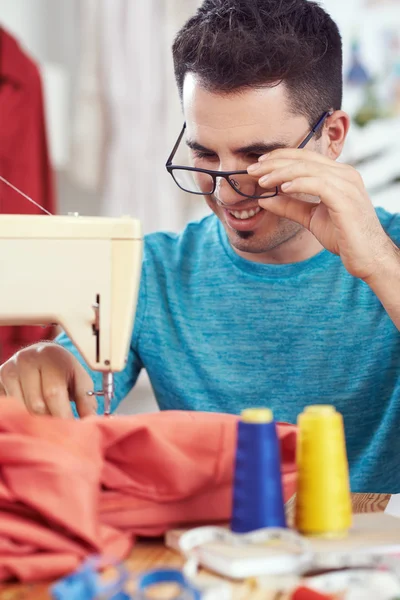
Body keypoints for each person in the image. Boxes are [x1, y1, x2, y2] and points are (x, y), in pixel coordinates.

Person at [0, 0, 399, 492]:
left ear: (331, 137)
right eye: (205, 155)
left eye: (257, 159)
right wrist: (40, 376)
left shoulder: (392, 254)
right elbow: (66, 395)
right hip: (214, 557)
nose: (225, 192)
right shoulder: (151, 271)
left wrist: (380, 264)